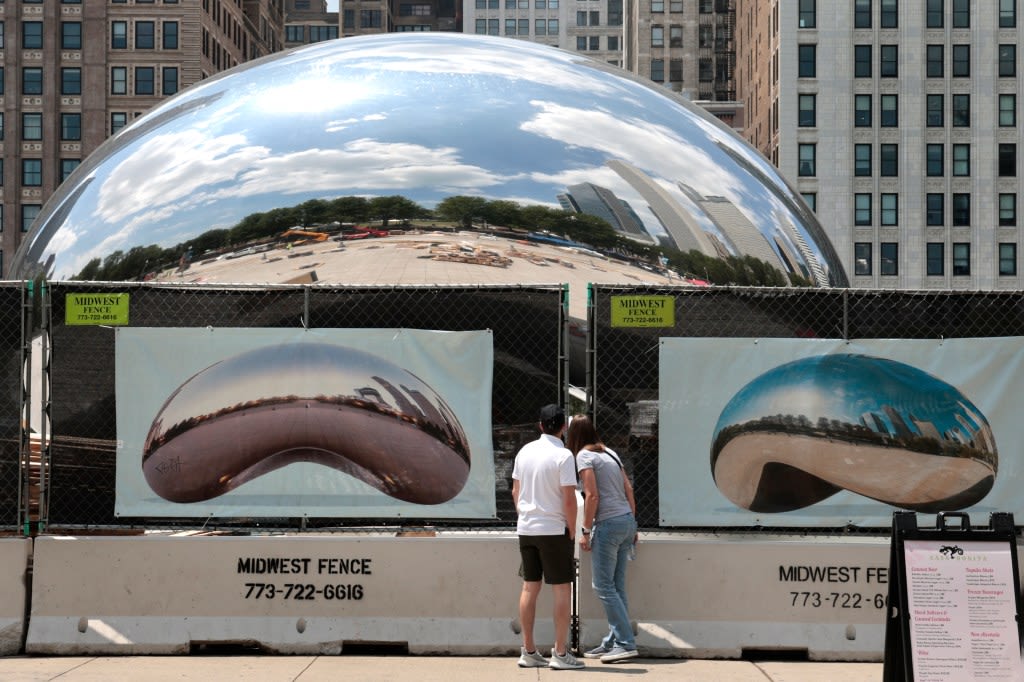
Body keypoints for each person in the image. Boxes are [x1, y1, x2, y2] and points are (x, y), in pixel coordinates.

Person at [511, 403, 584, 670]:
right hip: (554, 529)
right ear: (564, 427)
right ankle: (561, 653)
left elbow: (515, 491)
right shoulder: (564, 456)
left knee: (530, 586)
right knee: (562, 587)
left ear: (540, 425)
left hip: (527, 527)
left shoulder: (524, 452)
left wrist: (526, 514)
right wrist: (573, 529)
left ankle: (528, 650)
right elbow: (568, 499)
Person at [566, 414, 639, 664]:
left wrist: (585, 531)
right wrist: (632, 523)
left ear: (573, 435)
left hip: (608, 524)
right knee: (616, 587)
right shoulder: (610, 453)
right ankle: (613, 642)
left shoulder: (583, 456)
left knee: (603, 586)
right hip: (626, 521)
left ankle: (626, 643)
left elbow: (592, 496)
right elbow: (628, 489)